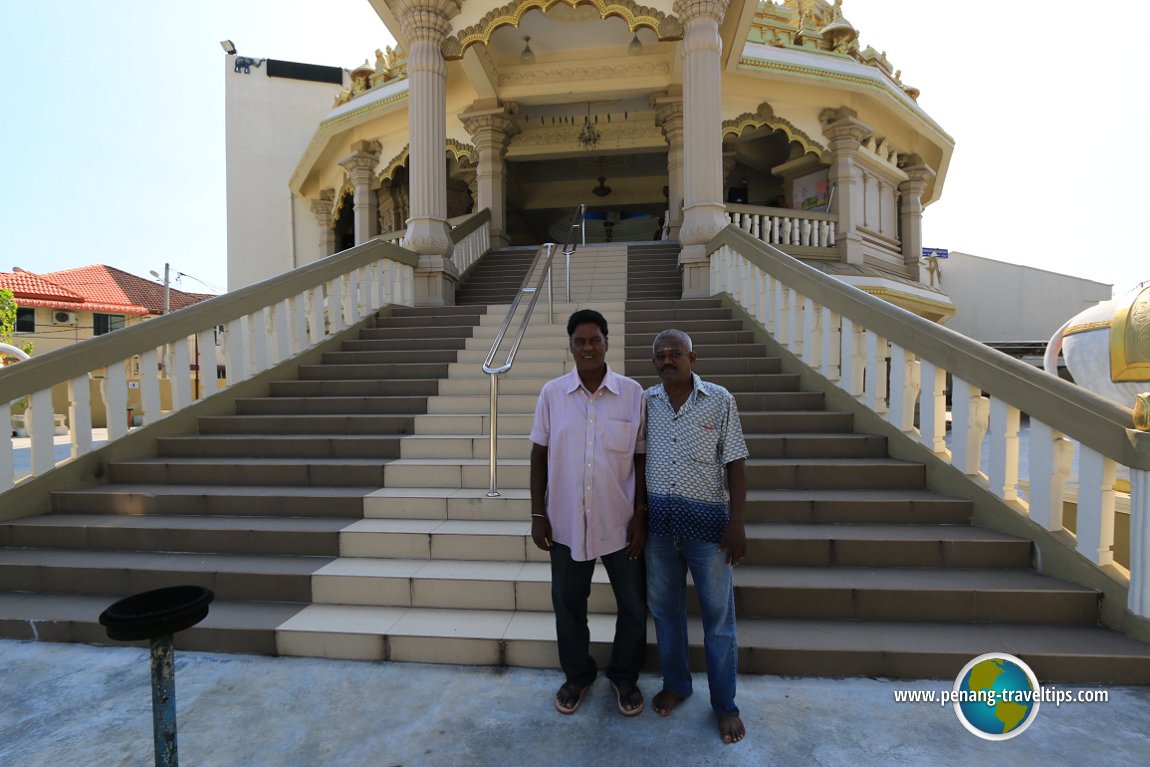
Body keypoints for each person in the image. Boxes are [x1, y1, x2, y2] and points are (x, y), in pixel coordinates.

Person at [529, 309, 648, 716]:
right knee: (568, 604)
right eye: (579, 341)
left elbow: (642, 459)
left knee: (633, 605)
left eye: (594, 339)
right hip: (564, 522)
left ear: (607, 342)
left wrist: (641, 513)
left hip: (620, 522)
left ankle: (624, 676)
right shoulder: (551, 394)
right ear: (571, 346)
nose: (587, 347)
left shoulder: (633, 394)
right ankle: (578, 676)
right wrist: (537, 514)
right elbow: (538, 455)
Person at [643, 328, 749, 743]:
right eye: (660, 355)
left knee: (718, 622)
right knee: (666, 613)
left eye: (675, 353)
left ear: (693, 357)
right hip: (660, 531)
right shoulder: (646, 402)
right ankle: (677, 684)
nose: (667, 360)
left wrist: (737, 522)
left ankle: (725, 705)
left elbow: (736, 462)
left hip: (709, 530)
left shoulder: (720, 400)